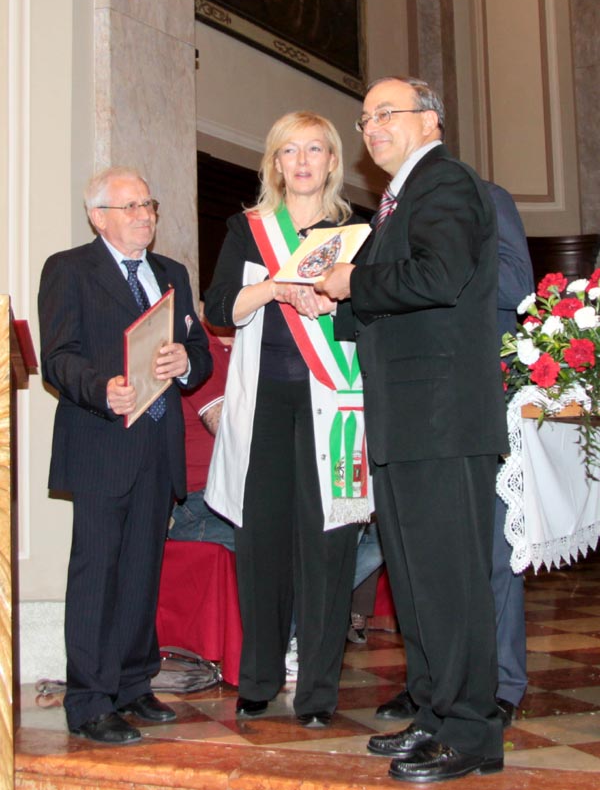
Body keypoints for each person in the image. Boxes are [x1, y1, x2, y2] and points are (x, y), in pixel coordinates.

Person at [318, 77, 509, 782]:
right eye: (364, 118)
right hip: (408, 416)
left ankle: (471, 730)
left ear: (430, 120)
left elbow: (440, 276)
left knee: (449, 580)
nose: (371, 127)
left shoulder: (445, 183)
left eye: (386, 113)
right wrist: (336, 302)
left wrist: (353, 282)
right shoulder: (402, 198)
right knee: (418, 579)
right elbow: (404, 303)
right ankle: (433, 711)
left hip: (440, 419)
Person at [203, 111, 371, 728]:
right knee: (261, 544)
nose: (302, 161)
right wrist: (277, 287)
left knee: (329, 547)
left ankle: (319, 692)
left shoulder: (357, 232)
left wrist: (335, 300)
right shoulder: (248, 229)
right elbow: (220, 306)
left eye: (315, 149)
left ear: (332, 161)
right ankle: (258, 679)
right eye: (289, 151)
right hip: (265, 404)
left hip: (336, 403)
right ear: (275, 163)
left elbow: (375, 313)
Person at [38, 166, 212, 745]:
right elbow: (58, 356)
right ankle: (90, 701)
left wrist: (186, 363)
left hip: (157, 448)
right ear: (99, 217)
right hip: (101, 443)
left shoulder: (172, 274)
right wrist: (101, 388)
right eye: (131, 206)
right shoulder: (69, 269)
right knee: (97, 574)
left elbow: (198, 352)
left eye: (149, 204)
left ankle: (135, 685)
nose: (145, 215)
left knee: (142, 569)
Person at [375, 181, 534, 726]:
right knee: (423, 555)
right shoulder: (387, 213)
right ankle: (432, 684)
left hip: (476, 389)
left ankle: (501, 682)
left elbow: (517, 284)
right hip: (414, 396)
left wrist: (435, 274)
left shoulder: (484, 197)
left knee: (490, 545)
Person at [169, 311, 235, 550]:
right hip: (204, 501)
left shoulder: (246, 346)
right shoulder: (201, 347)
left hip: (233, 494)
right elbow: (225, 426)